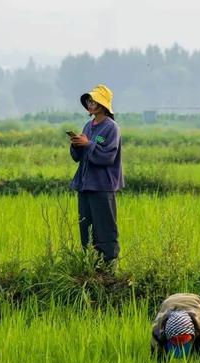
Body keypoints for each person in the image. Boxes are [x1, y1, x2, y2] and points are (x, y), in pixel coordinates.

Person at [69, 84, 124, 269]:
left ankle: (110, 270)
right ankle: (90, 268)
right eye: (89, 100)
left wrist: (88, 144)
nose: (90, 103)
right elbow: (79, 157)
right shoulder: (88, 125)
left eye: (94, 101)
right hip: (85, 186)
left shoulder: (111, 128)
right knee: (86, 230)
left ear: (103, 104)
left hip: (102, 187)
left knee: (105, 229)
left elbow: (107, 156)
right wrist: (77, 145)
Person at [151, 293, 200, 361]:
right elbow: (155, 350)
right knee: (161, 353)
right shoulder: (158, 328)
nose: (180, 344)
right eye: (175, 342)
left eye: (184, 341)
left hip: (197, 302)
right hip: (170, 301)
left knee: (199, 351)